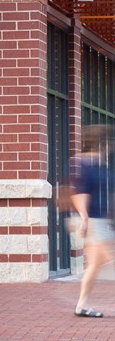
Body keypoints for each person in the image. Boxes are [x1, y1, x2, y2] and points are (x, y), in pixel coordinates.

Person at [71, 125, 114, 318]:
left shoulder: (100, 163)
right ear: (101, 143)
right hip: (92, 221)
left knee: (95, 265)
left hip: (101, 221)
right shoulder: (81, 163)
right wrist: (84, 218)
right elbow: (78, 192)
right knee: (105, 261)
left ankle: (81, 305)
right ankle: (81, 305)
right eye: (109, 141)